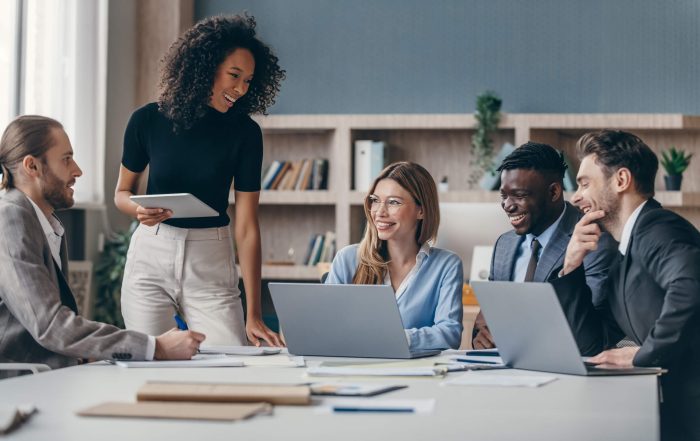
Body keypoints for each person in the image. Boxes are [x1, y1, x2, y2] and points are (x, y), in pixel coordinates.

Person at [115, 14, 285, 347]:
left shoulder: (245, 134)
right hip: (150, 252)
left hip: (210, 258)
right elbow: (122, 193)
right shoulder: (146, 120)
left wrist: (254, 313)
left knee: (229, 359)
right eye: (234, 75)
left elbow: (248, 226)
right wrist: (137, 212)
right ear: (204, 66)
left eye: (249, 81)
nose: (240, 89)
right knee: (151, 360)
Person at [0, 115, 204, 377]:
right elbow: (50, 325)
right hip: (17, 382)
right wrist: (156, 346)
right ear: (32, 166)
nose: (77, 171)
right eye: (66, 159)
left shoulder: (43, 222)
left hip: (47, 372)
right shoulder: (10, 219)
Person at [551, 130, 700, 440]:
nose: (576, 197)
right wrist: (571, 267)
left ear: (621, 180)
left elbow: (690, 287)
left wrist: (643, 354)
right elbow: (594, 345)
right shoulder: (624, 253)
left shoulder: (658, 227)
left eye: (585, 183)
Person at [472, 142, 617, 349]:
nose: (508, 205)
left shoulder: (592, 240)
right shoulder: (504, 244)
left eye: (519, 195)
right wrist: (481, 339)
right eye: (504, 196)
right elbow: (486, 320)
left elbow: (591, 336)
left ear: (554, 192)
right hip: (505, 371)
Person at [325, 162, 463, 351]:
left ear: (421, 210)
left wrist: (390, 337)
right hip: (355, 370)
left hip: (418, 375)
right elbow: (327, 327)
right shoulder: (348, 259)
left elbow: (449, 335)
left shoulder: (446, 265)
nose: (379, 212)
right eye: (375, 200)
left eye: (393, 202)